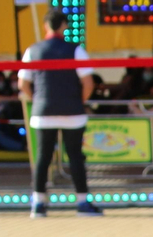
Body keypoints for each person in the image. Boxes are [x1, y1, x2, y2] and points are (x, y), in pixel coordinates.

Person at [17, 10, 101, 218]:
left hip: (43, 111)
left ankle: (38, 204)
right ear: (64, 25)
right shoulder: (75, 50)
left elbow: (23, 83)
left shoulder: (33, 50)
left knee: (43, 157)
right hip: (72, 111)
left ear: (46, 25)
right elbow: (88, 83)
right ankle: (82, 203)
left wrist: (37, 99)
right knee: (75, 156)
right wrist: (78, 101)